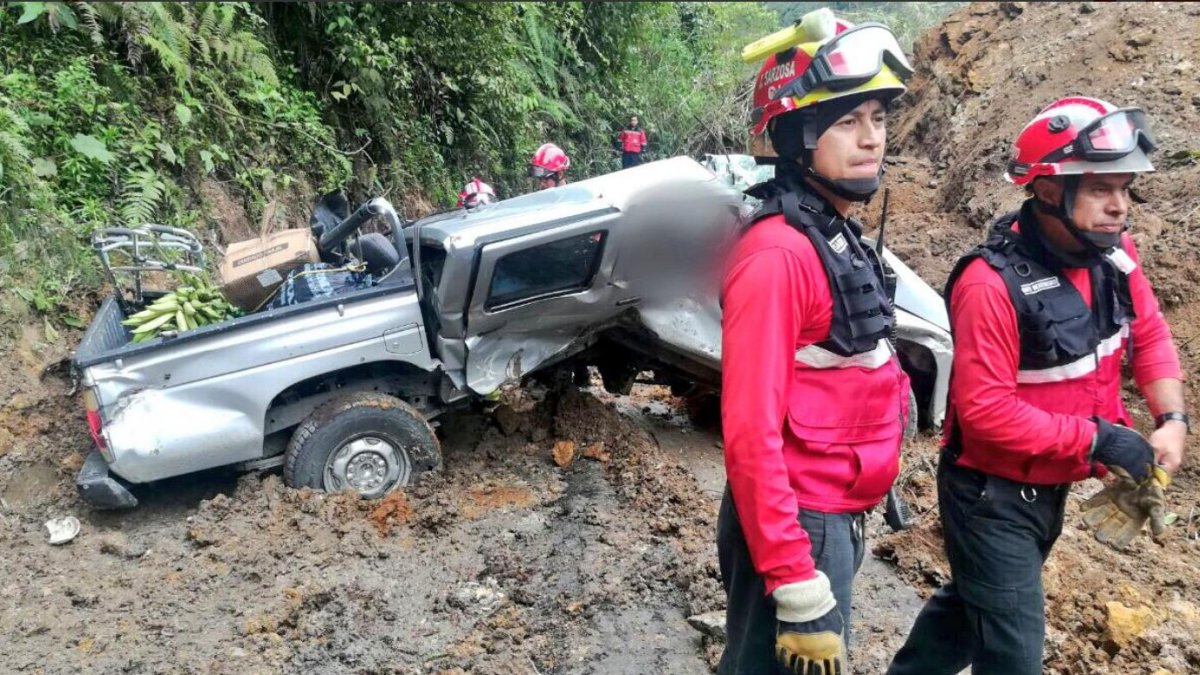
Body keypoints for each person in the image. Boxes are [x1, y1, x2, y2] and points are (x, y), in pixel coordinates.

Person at [886, 96, 1187, 675]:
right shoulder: (989, 284)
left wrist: (1171, 419)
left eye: (1125, 188)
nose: (1119, 207)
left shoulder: (1117, 257)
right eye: (1102, 188)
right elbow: (985, 413)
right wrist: (1103, 441)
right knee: (1014, 653)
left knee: (969, 609)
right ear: (1050, 190)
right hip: (989, 496)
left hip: (1047, 489)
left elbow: (1150, 336)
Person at [719, 13, 915, 675]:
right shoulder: (777, 255)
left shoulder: (833, 231)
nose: (870, 140)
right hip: (800, 526)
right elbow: (749, 430)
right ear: (798, 136)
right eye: (846, 122)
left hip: (831, 517)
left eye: (878, 119)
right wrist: (792, 574)